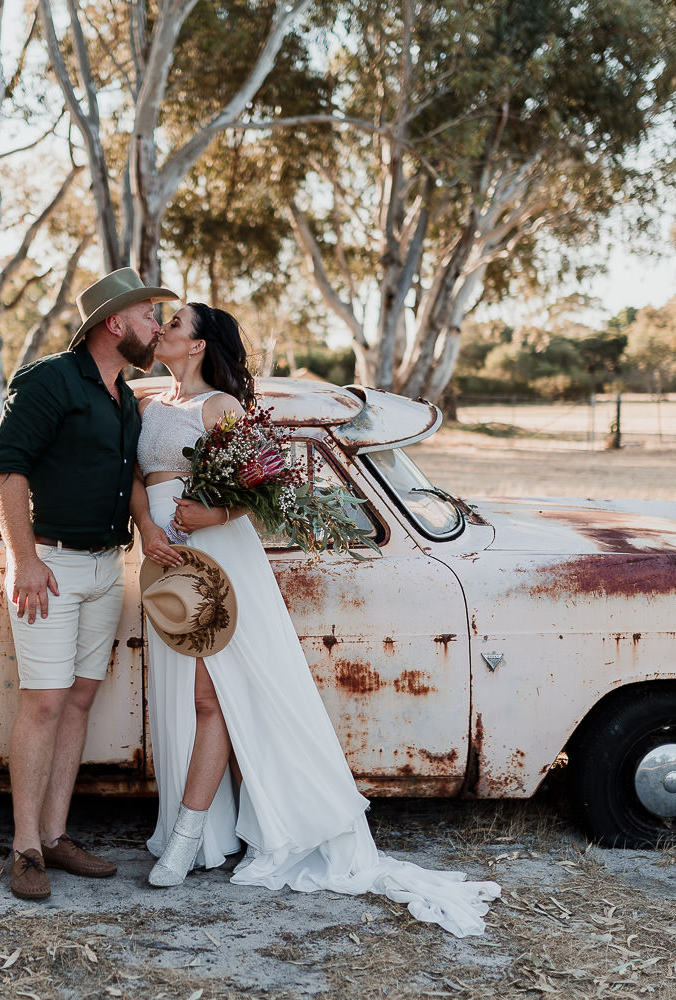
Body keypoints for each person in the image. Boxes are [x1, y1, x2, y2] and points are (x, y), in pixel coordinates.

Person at [131, 302, 501, 937]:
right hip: (164, 555)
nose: (161, 329)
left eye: (173, 325)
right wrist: (150, 528)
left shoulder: (220, 407)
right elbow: (135, 479)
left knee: (210, 695)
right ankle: (194, 828)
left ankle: (188, 840)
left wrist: (206, 519)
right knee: (178, 690)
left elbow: (257, 497)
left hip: (217, 553)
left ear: (196, 346)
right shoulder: (148, 406)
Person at [0, 267, 183, 901]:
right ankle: (23, 852)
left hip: (106, 569)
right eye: (151, 316)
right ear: (114, 323)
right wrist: (23, 559)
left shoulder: (125, 397)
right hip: (52, 568)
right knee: (42, 703)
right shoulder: (51, 380)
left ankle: (55, 835)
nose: (158, 327)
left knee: (77, 702)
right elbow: (6, 467)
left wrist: (146, 527)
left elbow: (126, 479)